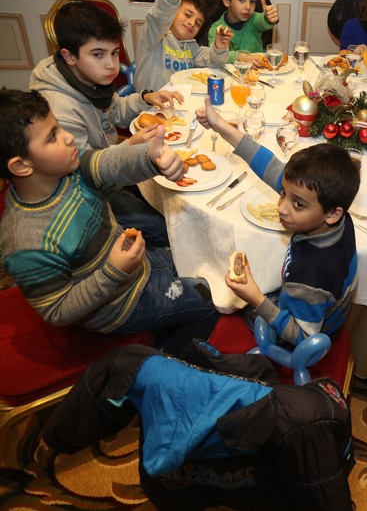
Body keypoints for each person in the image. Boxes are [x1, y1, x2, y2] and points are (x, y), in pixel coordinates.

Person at [0, 89, 220, 356]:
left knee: (199, 259)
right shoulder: (27, 244)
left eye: (58, 127)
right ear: (21, 166)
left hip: (137, 266)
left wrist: (150, 158)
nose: (68, 137)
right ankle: (168, 358)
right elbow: (58, 310)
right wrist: (113, 271)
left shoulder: (67, 169)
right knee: (211, 299)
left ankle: (167, 324)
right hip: (118, 304)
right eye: (52, 137)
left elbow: (108, 162)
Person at [195, 97, 360, 346]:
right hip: (318, 312)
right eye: (283, 192)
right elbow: (267, 164)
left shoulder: (310, 276)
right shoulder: (335, 213)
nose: (281, 207)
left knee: (220, 298)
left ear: (332, 213)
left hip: (299, 336)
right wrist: (219, 124)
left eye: (298, 204)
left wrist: (255, 299)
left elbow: (303, 337)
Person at [30, 0, 184, 247]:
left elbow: (115, 110)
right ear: (69, 56)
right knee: (169, 228)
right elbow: (81, 171)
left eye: (114, 52)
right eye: (98, 54)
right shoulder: (58, 108)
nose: (112, 65)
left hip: (111, 164)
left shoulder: (87, 77)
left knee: (174, 196)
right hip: (86, 194)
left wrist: (145, 98)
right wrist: (131, 146)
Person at [134, 0, 231, 93]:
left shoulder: (192, 47)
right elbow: (157, 18)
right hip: (150, 102)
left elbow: (215, 63)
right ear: (173, 11)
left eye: (198, 23)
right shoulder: (154, 37)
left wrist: (219, 47)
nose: (192, 23)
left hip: (181, 100)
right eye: (187, 15)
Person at [206, 0, 279, 62]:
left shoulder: (253, 20)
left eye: (252, 1)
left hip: (259, 69)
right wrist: (240, 57)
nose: (248, 7)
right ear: (227, 1)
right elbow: (215, 55)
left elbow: (263, 21)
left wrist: (269, 18)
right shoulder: (217, 29)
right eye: (241, 0)